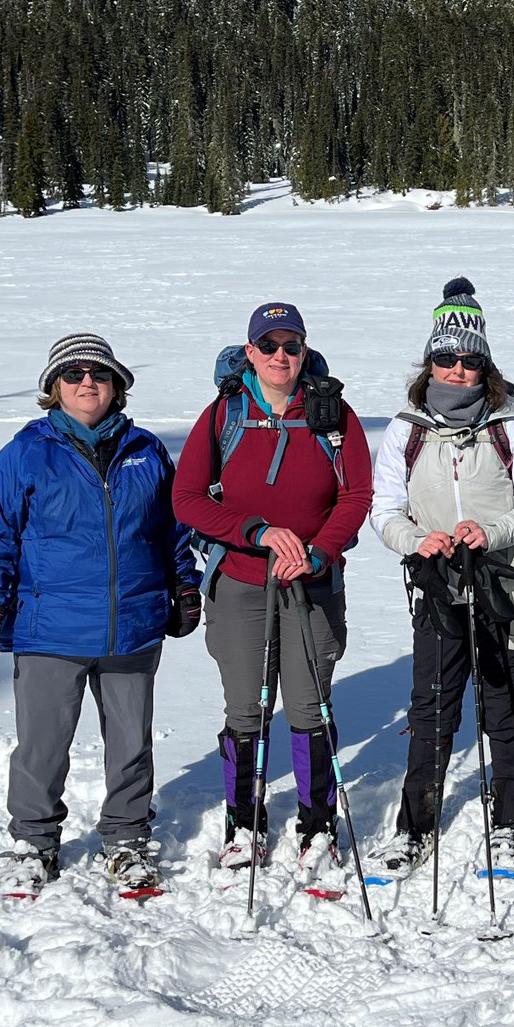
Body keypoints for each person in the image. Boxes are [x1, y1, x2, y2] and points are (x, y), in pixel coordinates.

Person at [0, 333, 200, 901]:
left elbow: (171, 531)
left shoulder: (146, 450)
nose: (87, 382)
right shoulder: (25, 453)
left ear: (117, 385)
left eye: (99, 373)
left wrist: (183, 586)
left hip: (132, 624)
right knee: (41, 744)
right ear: (54, 388)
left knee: (131, 742)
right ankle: (33, 842)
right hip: (50, 626)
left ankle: (127, 838)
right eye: (73, 374)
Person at [171, 301, 372, 883]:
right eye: (269, 345)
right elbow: (187, 499)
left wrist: (319, 551)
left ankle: (317, 826)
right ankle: (244, 824)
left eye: (292, 346)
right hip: (240, 580)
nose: (281, 356)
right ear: (250, 352)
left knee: (311, 706)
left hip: (312, 582)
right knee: (245, 707)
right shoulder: (225, 413)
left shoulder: (332, 413)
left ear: (304, 351)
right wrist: (255, 532)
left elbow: (356, 496)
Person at [366, 279, 514, 876]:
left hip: (505, 587)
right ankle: (415, 825)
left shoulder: (509, 425)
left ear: (485, 366)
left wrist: (491, 532)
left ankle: (511, 818)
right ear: (430, 362)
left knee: (506, 703)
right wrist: (419, 541)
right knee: (433, 706)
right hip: (439, 586)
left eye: (470, 360)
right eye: (446, 358)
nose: (458, 370)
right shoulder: (406, 429)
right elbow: (384, 509)